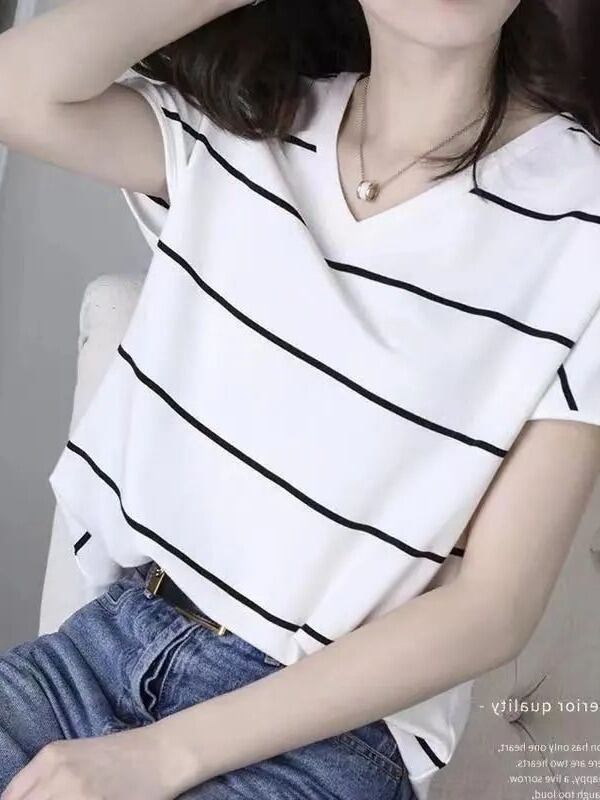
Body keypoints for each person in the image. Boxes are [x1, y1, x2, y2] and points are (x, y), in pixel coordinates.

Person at [1, 0, 600, 798]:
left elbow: (494, 607)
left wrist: (163, 755)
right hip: (101, 652)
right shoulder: (250, 125)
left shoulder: (583, 220)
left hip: (324, 735)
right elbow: (19, 91)